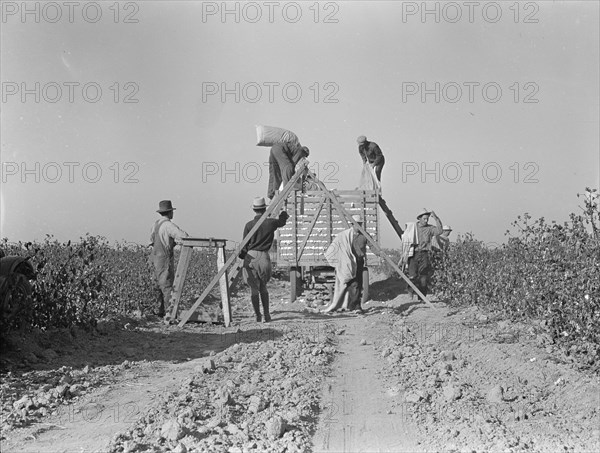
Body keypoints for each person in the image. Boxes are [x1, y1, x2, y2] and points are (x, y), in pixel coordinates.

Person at [239, 197, 289, 322]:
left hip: (251, 256)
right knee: (263, 287)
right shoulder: (270, 223)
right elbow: (282, 221)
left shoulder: (249, 225)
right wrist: (284, 211)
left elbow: (244, 244)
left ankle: (258, 315)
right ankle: (267, 315)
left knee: (253, 289)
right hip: (264, 257)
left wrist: (242, 256)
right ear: (265, 208)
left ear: (254, 210)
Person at [149, 200, 189, 318]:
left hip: (154, 258)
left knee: (156, 285)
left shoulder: (155, 224)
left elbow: (151, 242)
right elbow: (184, 236)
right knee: (166, 286)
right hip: (164, 259)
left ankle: (159, 311)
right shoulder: (168, 225)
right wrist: (177, 242)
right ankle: (169, 313)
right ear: (170, 212)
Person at [322, 214, 367, 314]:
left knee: (358, 284)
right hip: (349, 263)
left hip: (359, 262)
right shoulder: (346, 236)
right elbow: (335, 246)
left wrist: (380, 254)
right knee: (354, 284)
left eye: (360, 224)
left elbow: (372, 246)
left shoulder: (364, 236)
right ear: (352, 225)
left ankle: (354, 305)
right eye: (357, 224)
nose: (358, 226)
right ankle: (356, 306)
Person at [406, 209, 443, 299]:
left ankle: (421, 297)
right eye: (424, 219)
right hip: (413, 253)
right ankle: (410, 292)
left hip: (424, 253)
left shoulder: (430, 228)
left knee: (423, 278)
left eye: (427, 219)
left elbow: (440, 231)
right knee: (412, 276)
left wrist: (436, 218)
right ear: (419, 218)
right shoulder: (413, 227)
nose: (426, 221)